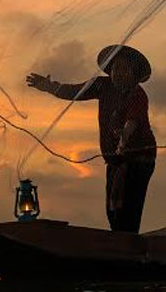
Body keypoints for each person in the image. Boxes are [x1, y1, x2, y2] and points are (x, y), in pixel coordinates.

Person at [25, 44, 157, 233]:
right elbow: (74, 92)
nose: (117, 73)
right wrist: (49, 87)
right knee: (113, 210)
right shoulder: (102, 85)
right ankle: (120, 244)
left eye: (123, 69)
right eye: (114, 68)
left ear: (133, 74)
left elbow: (132, 120)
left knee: (128, 211)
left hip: (138, 159)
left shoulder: (137, 94)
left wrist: (124, 138)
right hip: (115, 160)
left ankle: (127, 247)